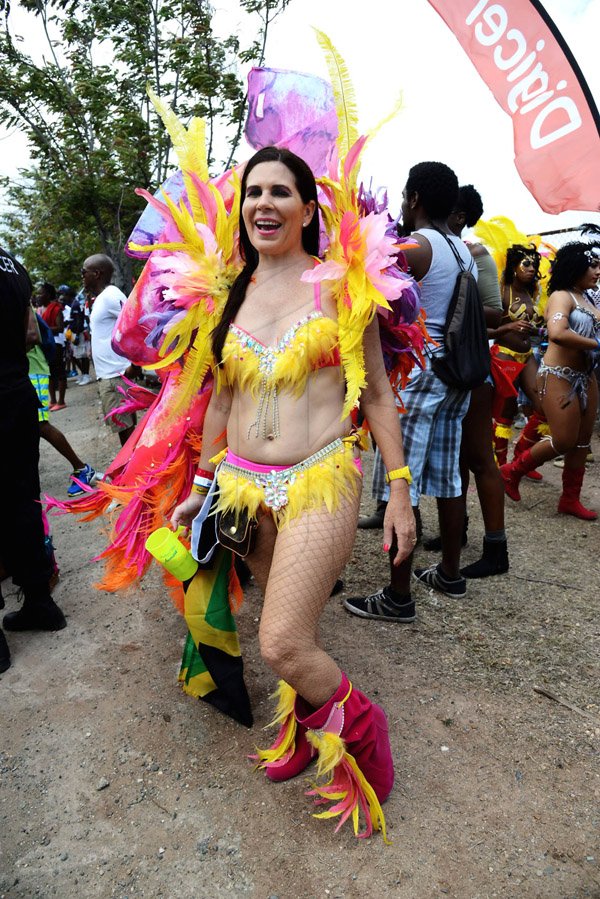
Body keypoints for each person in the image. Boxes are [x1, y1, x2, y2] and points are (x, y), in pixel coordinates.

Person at [170, 146, 415, 836]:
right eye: (253, 192)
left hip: (321, 475)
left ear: (309, 209)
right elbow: (221, 401)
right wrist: (200, 484)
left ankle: (362, 731)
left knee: (280, 641)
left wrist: (399, 489)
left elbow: (380, 395)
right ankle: (305, 734)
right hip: (245, 488)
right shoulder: (230, 293)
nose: (264, 204)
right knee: (289, 624)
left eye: (281, 191)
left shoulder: (342, 286)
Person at [345, 161, 476, 616]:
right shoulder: (462, 250)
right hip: (457, 380)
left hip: (422, 377)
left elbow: (374, 289)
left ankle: (399, 596)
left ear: (415, 198)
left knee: (403, 482)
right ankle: (450, 574)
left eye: (405, 195)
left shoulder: (418, 246)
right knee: (449, 477)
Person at [434, 185, 509, 578]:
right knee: (456, 458)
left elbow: (495, 313)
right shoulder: (443, 249)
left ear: (460, 216)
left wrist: (449, 299)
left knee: (480, 457)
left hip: (471, 367)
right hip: (454, 366)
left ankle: (496, 549)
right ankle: (456, 533)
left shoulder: (477, 254)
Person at [0, 246, 67, 673]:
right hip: (15, 394)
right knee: (22, 501)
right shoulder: (10, 263)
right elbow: (30, 335)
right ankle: (41, 604)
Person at [500, 242, 600, 518]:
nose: (598, 271)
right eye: (593, 265)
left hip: (585, 376)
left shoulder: (588, 298)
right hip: (559, 376)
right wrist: (595, 342)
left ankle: (570, 499)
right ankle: (512, 471)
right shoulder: (561, 296)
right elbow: (557, 332)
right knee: (564, 440)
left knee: (581, 441)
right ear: (575, 266)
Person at [28, 312, 96, 496]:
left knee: (40, 424)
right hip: (26, 371)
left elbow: (32, 336)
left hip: (33, 370)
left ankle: (82, 468)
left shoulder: (19, 298)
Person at [489, 245, 545, 467]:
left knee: (542, 405)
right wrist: (507, 327)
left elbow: (537, 325)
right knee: (506, 411)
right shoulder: (500, 291)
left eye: (534, 264)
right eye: (526, 264)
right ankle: (500, 464)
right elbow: (484, 329)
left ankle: (521, 460)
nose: (531, 268)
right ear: (514, 267)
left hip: (527, 353)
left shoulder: (533, 292)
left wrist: (535, 328)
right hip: (505, 355)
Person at [82, 254, 137, 446]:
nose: (82, 277)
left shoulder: (110, 296)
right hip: (111, 375)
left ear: (96, 274)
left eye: (84, 272)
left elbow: (133, 326)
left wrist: (134, 366)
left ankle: (130, 473)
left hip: (115, 376)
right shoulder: (103, 298)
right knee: (126, 429)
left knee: (125, 431)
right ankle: (132, 471)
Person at [38, 281, 68, 410]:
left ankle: (61, 401)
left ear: (48, 294)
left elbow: (60, 327)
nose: (39, 296)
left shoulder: (55, 308)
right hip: (45, 343)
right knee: (49, 373)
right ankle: (53, 400)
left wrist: (44, 329)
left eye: (41, 293)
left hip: (56, 343)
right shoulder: (40, 309)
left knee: (59, 372)